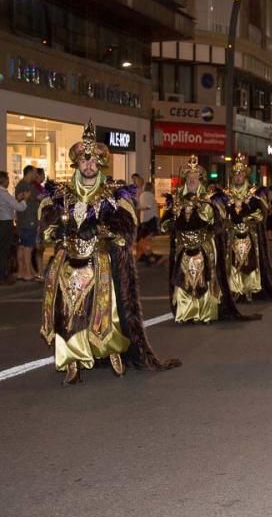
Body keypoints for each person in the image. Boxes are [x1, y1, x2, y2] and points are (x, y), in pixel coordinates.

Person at [37, 121, 180, 384]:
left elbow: (127, 226)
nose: (89, 165)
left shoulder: (113, 194)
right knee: (68, 312)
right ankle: (72, 360)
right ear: (77, 164)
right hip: (68, 263)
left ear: (100, 165)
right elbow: (47, 225)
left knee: (104, 311)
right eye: (84, 161)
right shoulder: (62, 195)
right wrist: (59, 228)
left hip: (100, 262)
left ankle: (111, 351)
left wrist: (101, 229)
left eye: (93, 162)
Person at [161, 156, 260, 324]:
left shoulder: (209, 200)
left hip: (203, 245)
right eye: (189, 178)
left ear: (200, 180)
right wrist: (174, 221)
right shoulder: (177, 199)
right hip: (183, 247)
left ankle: (205, 313)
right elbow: (164, 223)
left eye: (195, 178)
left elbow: (218, 222)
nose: (192, 181)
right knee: (184, 280)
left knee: (205, 278)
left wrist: (206, 220)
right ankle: (185, 313)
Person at [212, 153, 272, 303]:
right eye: (235, 174)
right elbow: (220, 214)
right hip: (231, 236)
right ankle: (234, 290)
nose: (238, 177)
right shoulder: (224, 195)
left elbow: (261, 214)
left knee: (250, 262)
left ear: (245, 176)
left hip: (249, 235)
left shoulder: (254, 194)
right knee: (232, 262)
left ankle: (249, 289)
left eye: (241, 174)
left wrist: (245, 215)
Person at [0, 171, 28, 284]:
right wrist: (24, 199)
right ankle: (3, 276)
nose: (8, 181)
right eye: (7, 179)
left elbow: (10, 204)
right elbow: (20, 208)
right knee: (5, 250)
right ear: (4, 181)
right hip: (6, 224)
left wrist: (17, 198)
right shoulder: (4, 193)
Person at [14, 165, 40, 282]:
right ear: (29, 173)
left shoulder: (20, 185)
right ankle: (27, 273)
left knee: (22, 246)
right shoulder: (27, 186)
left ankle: (22, 271)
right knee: (28, 247)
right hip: (28, 220)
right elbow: (24, 199)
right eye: (35, 173)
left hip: (22, 220)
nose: (36, 175)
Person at [135, 176, 161, 265]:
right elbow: (148, 206)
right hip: (151, 220)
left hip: (145, 220)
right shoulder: (149, 195)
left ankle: (145, 256)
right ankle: (149, 256)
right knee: (149, 239)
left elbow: (141, 206)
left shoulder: (142, 195)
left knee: (144, 239)